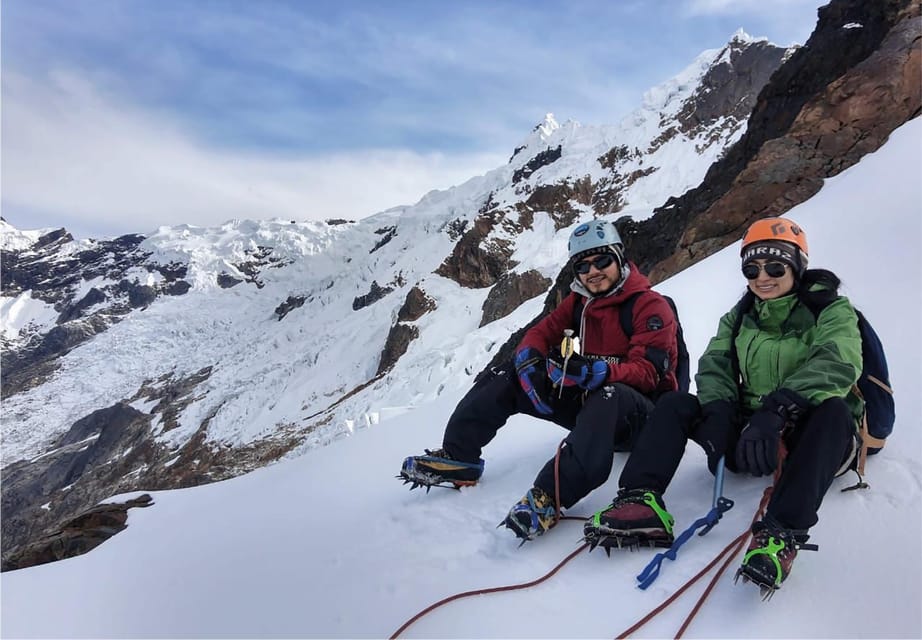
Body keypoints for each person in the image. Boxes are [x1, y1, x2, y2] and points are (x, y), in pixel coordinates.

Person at [583, 217, 863, 595]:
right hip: (753, 434)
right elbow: (715, 363)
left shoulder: (831, 310)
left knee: (835, 412)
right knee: (676, 403)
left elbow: (838, 361)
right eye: (752, 268)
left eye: (775, 266)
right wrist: (719, 410)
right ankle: (639, 500)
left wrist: (780, 408)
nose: (763, 276)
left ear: (797, 265)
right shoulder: (741, 315)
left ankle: (779, 536)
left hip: (814, 435)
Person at [398, 219, 680, 542]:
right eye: (582, 265)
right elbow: (541, 332)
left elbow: (648, 373)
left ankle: (549, 498)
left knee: (609, 395)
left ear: (619, 258)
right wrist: (528, 361)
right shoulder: (580, 302)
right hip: (593, 408)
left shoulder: (650, 306)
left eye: (602, 260)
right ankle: (460, 456)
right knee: (508, 374)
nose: (593, 271)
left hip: (640, 419)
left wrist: (597, 372)